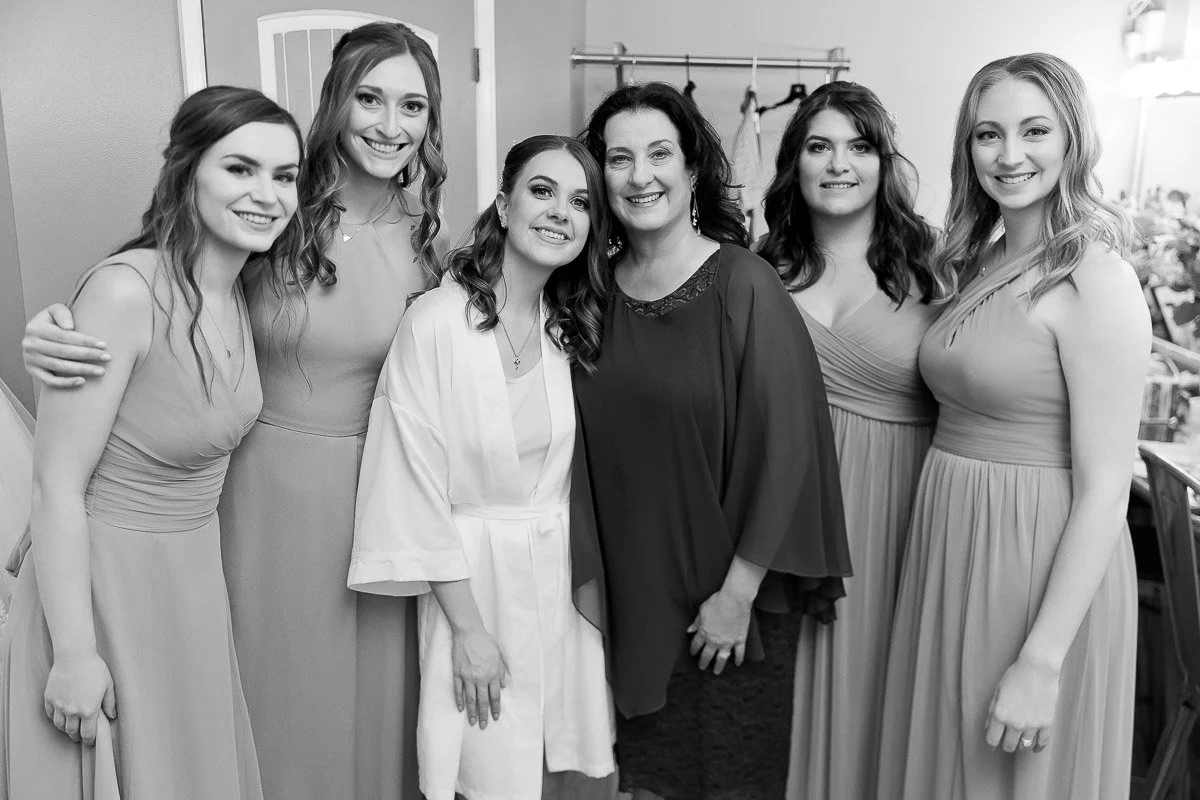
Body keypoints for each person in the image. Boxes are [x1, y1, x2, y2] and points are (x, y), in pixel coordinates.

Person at [19, 22, 445, 799]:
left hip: (376, 500)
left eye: (411, 104)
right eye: (369, 98)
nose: (390, 124)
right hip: (253, 498)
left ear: (431, 119)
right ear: (335, 104)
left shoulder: (430, 241)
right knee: (258, 702)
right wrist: (53, 333)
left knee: (363, 717)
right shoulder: (282, 220)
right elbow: (156, 290)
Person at [0, 85, 306, 799]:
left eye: (284, 176)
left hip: (190, 580)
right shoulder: (126, 294)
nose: (266, 193)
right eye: (240, 169)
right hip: (106, 585)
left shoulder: (245, 288)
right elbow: (56, 485)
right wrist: (74, 654)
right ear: (186, 170)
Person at [876, 53, 1147, 800]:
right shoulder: (978, 260)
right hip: (951, 541)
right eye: (987, 134)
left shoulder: (1096, 277)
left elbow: (1103, 489)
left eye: (1034, 130)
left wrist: (1042, 657)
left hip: (1035, 560)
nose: (1008, 154)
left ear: (1072, 140)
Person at [575, 82, 851, 800]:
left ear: (693, 167)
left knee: (731, 780)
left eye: (659, 153)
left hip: (731, 605)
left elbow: (789, 449)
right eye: (619, 158)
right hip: (634, 598)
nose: (641, 176)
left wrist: (738, 593)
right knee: (645, 783)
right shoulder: (588, 290)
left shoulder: (744, 283)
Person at [348, 135, 615, 800]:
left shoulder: (571, 329)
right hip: (469, 578)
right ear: (503, 203)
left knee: (558, 758)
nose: (561, 212)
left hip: (558, 577)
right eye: (542, 191)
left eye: (580, 201)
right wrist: (468, 629)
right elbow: (409, 483)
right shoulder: (438, 323)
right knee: (481, 761)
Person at [755, 81, 940, 800]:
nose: (839, 164)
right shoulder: (758, 270)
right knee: (783, 703)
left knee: (888, 695)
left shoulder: (938, 269)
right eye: (819, 146)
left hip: (902, 511)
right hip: (789, 509)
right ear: (794, 163)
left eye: (859, 146)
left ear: (883, 163)